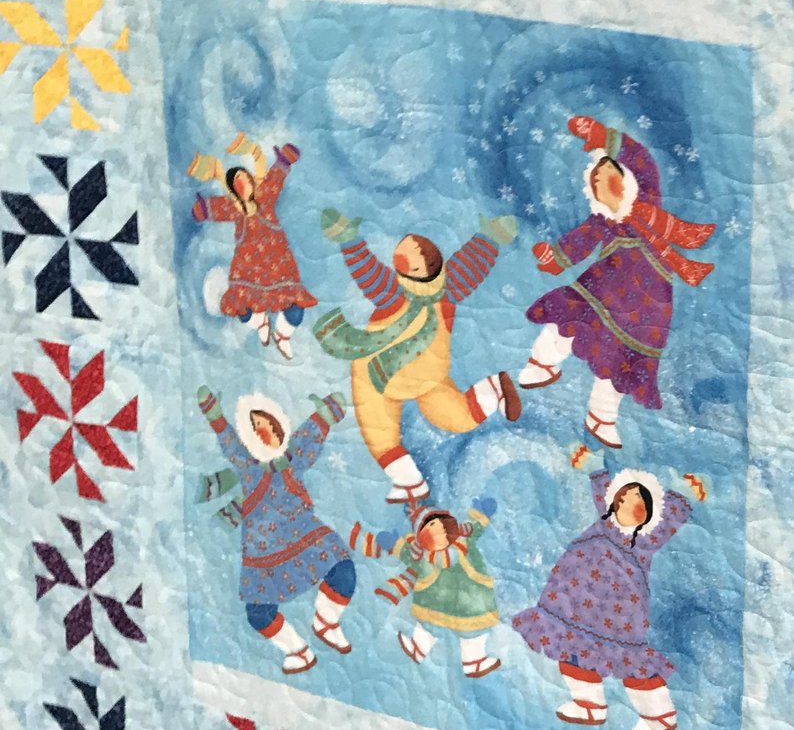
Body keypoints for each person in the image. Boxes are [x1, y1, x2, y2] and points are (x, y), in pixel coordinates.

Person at [519, 115, 714, 448]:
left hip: (648, 303)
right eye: (596, 182)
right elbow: (578, 243)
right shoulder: (603, 222)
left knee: (622, 362)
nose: (603, 183)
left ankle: (602, 419)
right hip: (602, 289)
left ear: (626, 177)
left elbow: (642, 160)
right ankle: (542, 364)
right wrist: (553, 258)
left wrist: (603, 137)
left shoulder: (647, 200)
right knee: (567, 314)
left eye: (608, 174)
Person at [314, 209, 520, 507]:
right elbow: (471, 263)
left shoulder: (392, 292)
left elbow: (366, 270)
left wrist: (349, 239)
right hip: (429, 374)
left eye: (408, 254)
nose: (400, 254)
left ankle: (409, 480)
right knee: (454, 415)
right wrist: (490, 238)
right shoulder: (448, 288)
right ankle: (494, 389)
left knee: (378, 430)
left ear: (418, 268)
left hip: (379, 375)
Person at [514, 444, 705, 730]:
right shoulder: (605, 523)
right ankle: (589, 705)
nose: (628, 501)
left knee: (630, 662)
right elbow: (602, 488)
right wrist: (594, 466)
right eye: (624, 497)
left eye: (637, 498)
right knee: (573, 652)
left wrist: (682, 494)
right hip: (574, 605)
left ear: (649, 513)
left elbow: (669, 519)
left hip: (618, 614)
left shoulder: (646, 539)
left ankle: (659, 715)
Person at [194, 385, 355, 673]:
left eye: (270, 425)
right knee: (258, 614)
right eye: (257, 427)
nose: (265, 431)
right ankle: (297, 650)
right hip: (264, 549)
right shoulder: (247, 465)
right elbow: (229, 442)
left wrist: (325, 414)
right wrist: (214, 415)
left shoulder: (292, 459)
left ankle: (326, 621)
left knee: (343, 568)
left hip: (302, 533)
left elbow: (309, 436)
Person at [188, 136, 315, 358]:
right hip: (248, 271)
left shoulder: (264, 198)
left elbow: (274, 180)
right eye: (238, 181)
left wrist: (284, 161)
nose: (244, 182)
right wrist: (204, 209)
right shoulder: (234, 209)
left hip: (278, 267)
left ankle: (282, 336)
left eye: (246, 178)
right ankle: (261, 323)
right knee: (244, 310)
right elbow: (217, 208)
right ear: (234, 189)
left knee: (295, 310)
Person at [352, 500, 504, 678]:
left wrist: (480, 514)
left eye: (441, 524)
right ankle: (419, 647)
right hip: (442, 602)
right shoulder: (423, 555)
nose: (439, 530)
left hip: (468, 601)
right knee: (430, 625)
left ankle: (473, 662)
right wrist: (395, 544)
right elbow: (407, 554)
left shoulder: (463, 538)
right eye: (431, 526)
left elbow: (474, 527)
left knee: (472, 630)